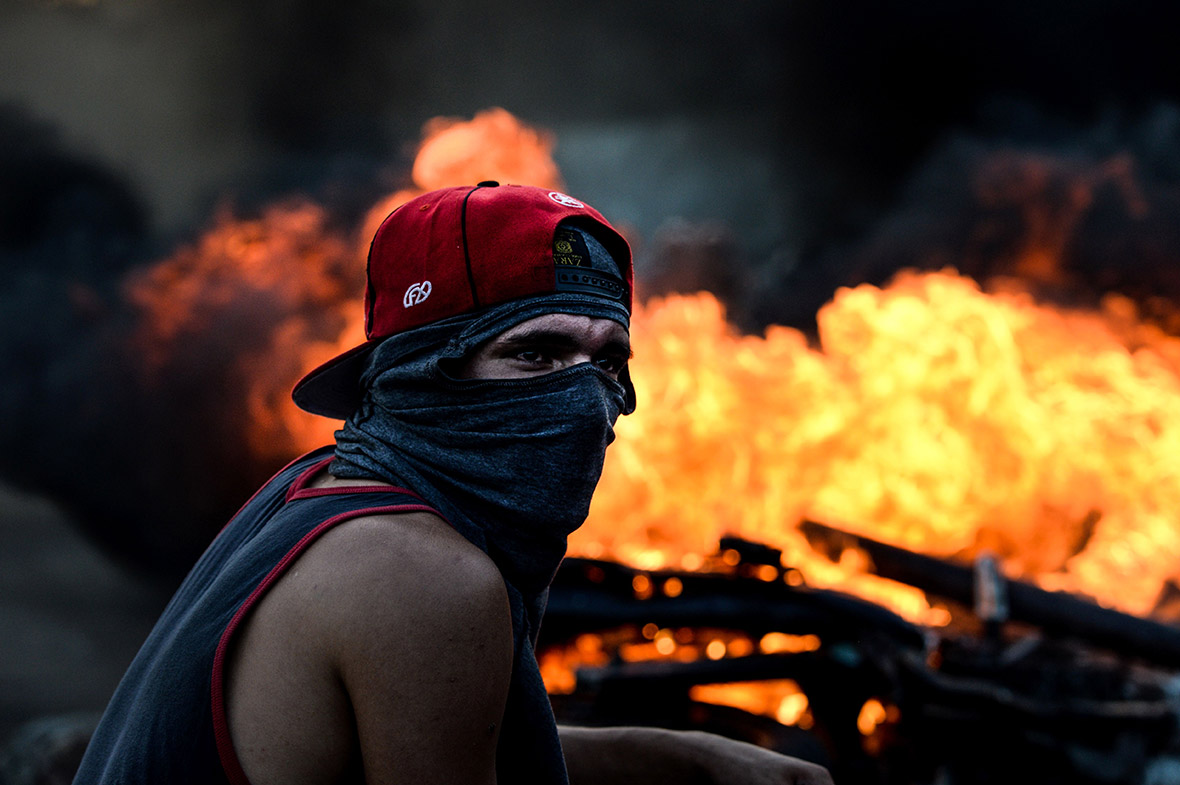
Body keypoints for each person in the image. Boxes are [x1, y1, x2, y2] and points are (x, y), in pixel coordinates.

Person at [73, 182, 834, 785]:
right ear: (419, 374)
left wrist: (686, 758)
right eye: (535, 352)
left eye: (607, 361)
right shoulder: (423, 573)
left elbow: (438, 729)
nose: (582, 401)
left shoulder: (322, 488)